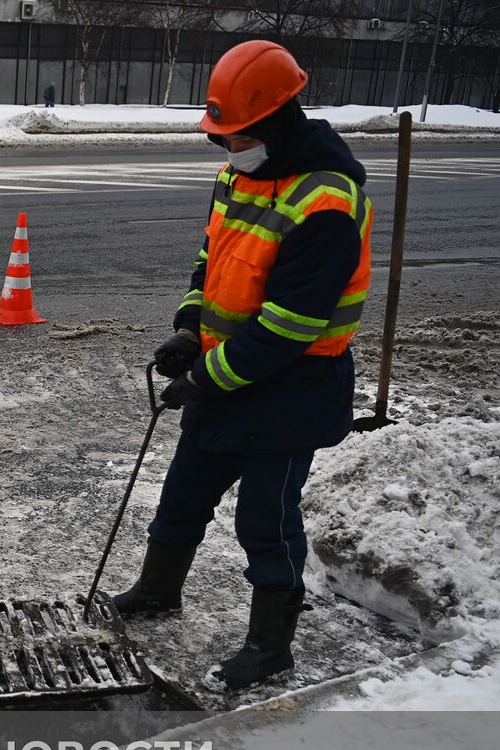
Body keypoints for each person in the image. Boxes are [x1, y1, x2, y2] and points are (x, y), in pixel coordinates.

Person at [112, 40, 373, 692]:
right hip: (228, 375)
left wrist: (204, 377)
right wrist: (187, 330)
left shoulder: (327, 202)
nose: (228, 147)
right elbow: (212, 265)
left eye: (238, 134)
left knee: (267, 520)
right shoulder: (238, 174)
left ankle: (270, 644)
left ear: (279, 120)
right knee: (183, 493)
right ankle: (156, 590)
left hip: (291, 390)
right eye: (222, 136)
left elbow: (289, 326)